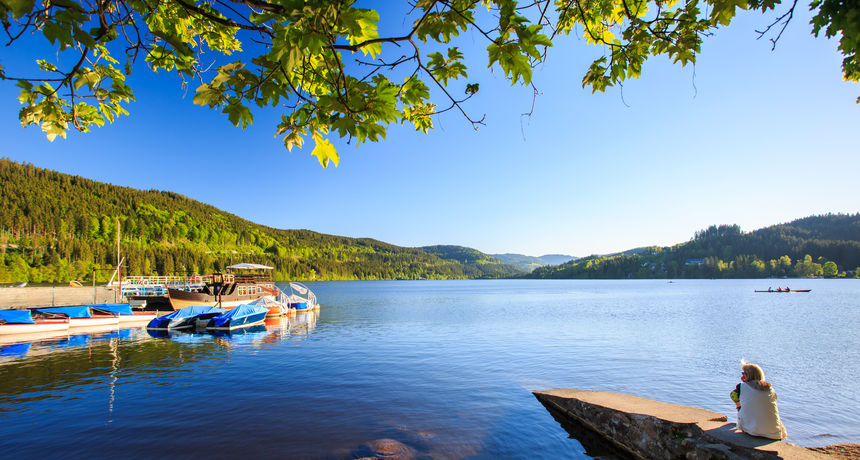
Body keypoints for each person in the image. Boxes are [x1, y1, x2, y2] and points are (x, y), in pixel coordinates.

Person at [730, 362, 787, 440]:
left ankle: (746, 422)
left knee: (742, 404)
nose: (741, 375)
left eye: (743, 373)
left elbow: (732, 395)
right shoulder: (771, 389)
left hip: (752, 430)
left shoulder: (741, 387)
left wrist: (738, 405)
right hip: (774, 433)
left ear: (748, 375)